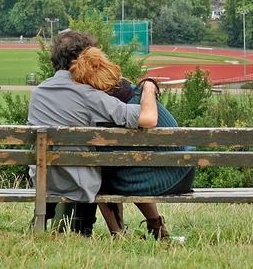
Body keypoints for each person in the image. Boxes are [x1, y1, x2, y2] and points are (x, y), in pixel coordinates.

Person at [27, 30, 159, 236]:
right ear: (85, 58)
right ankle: (99, 230)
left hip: (44, 181)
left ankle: (75, 227)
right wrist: (149, 88)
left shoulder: (38, 94)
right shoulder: (89, 95)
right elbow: (147, 118)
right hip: (80, 184)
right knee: (103, 164)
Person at [70, 47, 195, 239]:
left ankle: (118, 234)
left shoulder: (110, 110)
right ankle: (157, 227)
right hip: (183, 172)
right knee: (133, 166)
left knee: (100, 174)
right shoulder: (140, 94)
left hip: (160, 181)